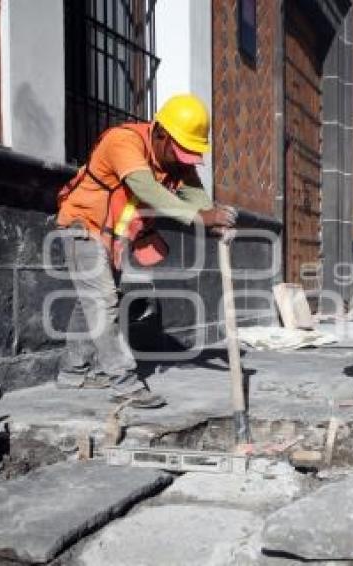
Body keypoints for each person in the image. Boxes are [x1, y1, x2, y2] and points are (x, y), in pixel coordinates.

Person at [55, 94, 237, 409]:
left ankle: (72, 372)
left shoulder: (174, 160)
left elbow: (195, 195)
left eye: (190, 156)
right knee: (102, 302)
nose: (184, 161)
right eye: (181, 153)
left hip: (113, 234)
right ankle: (124, 383)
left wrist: (215, 220)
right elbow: (146, 188)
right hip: (82, 225)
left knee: (91, 303)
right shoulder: (123, 142)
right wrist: (200, 217)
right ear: (161, 134)